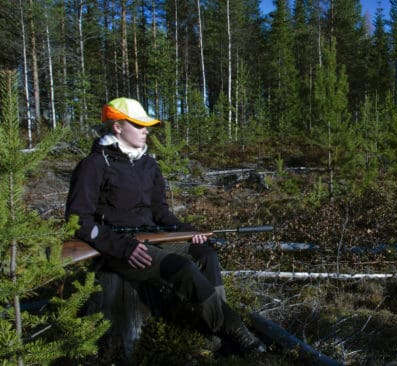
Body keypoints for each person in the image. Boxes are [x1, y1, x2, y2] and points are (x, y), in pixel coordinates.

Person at [65, 97, 265, 353]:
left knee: (205, 254)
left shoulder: (148, 164)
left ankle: (213, 330)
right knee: (181, 267)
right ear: (117, 127)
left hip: (151, 241)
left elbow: (160, 212)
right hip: (117, 250)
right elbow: (78, 220)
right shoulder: (93, 165)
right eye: (138, 125)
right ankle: (235, 331)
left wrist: (186, 231)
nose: (146, 130)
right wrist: (121, 248)